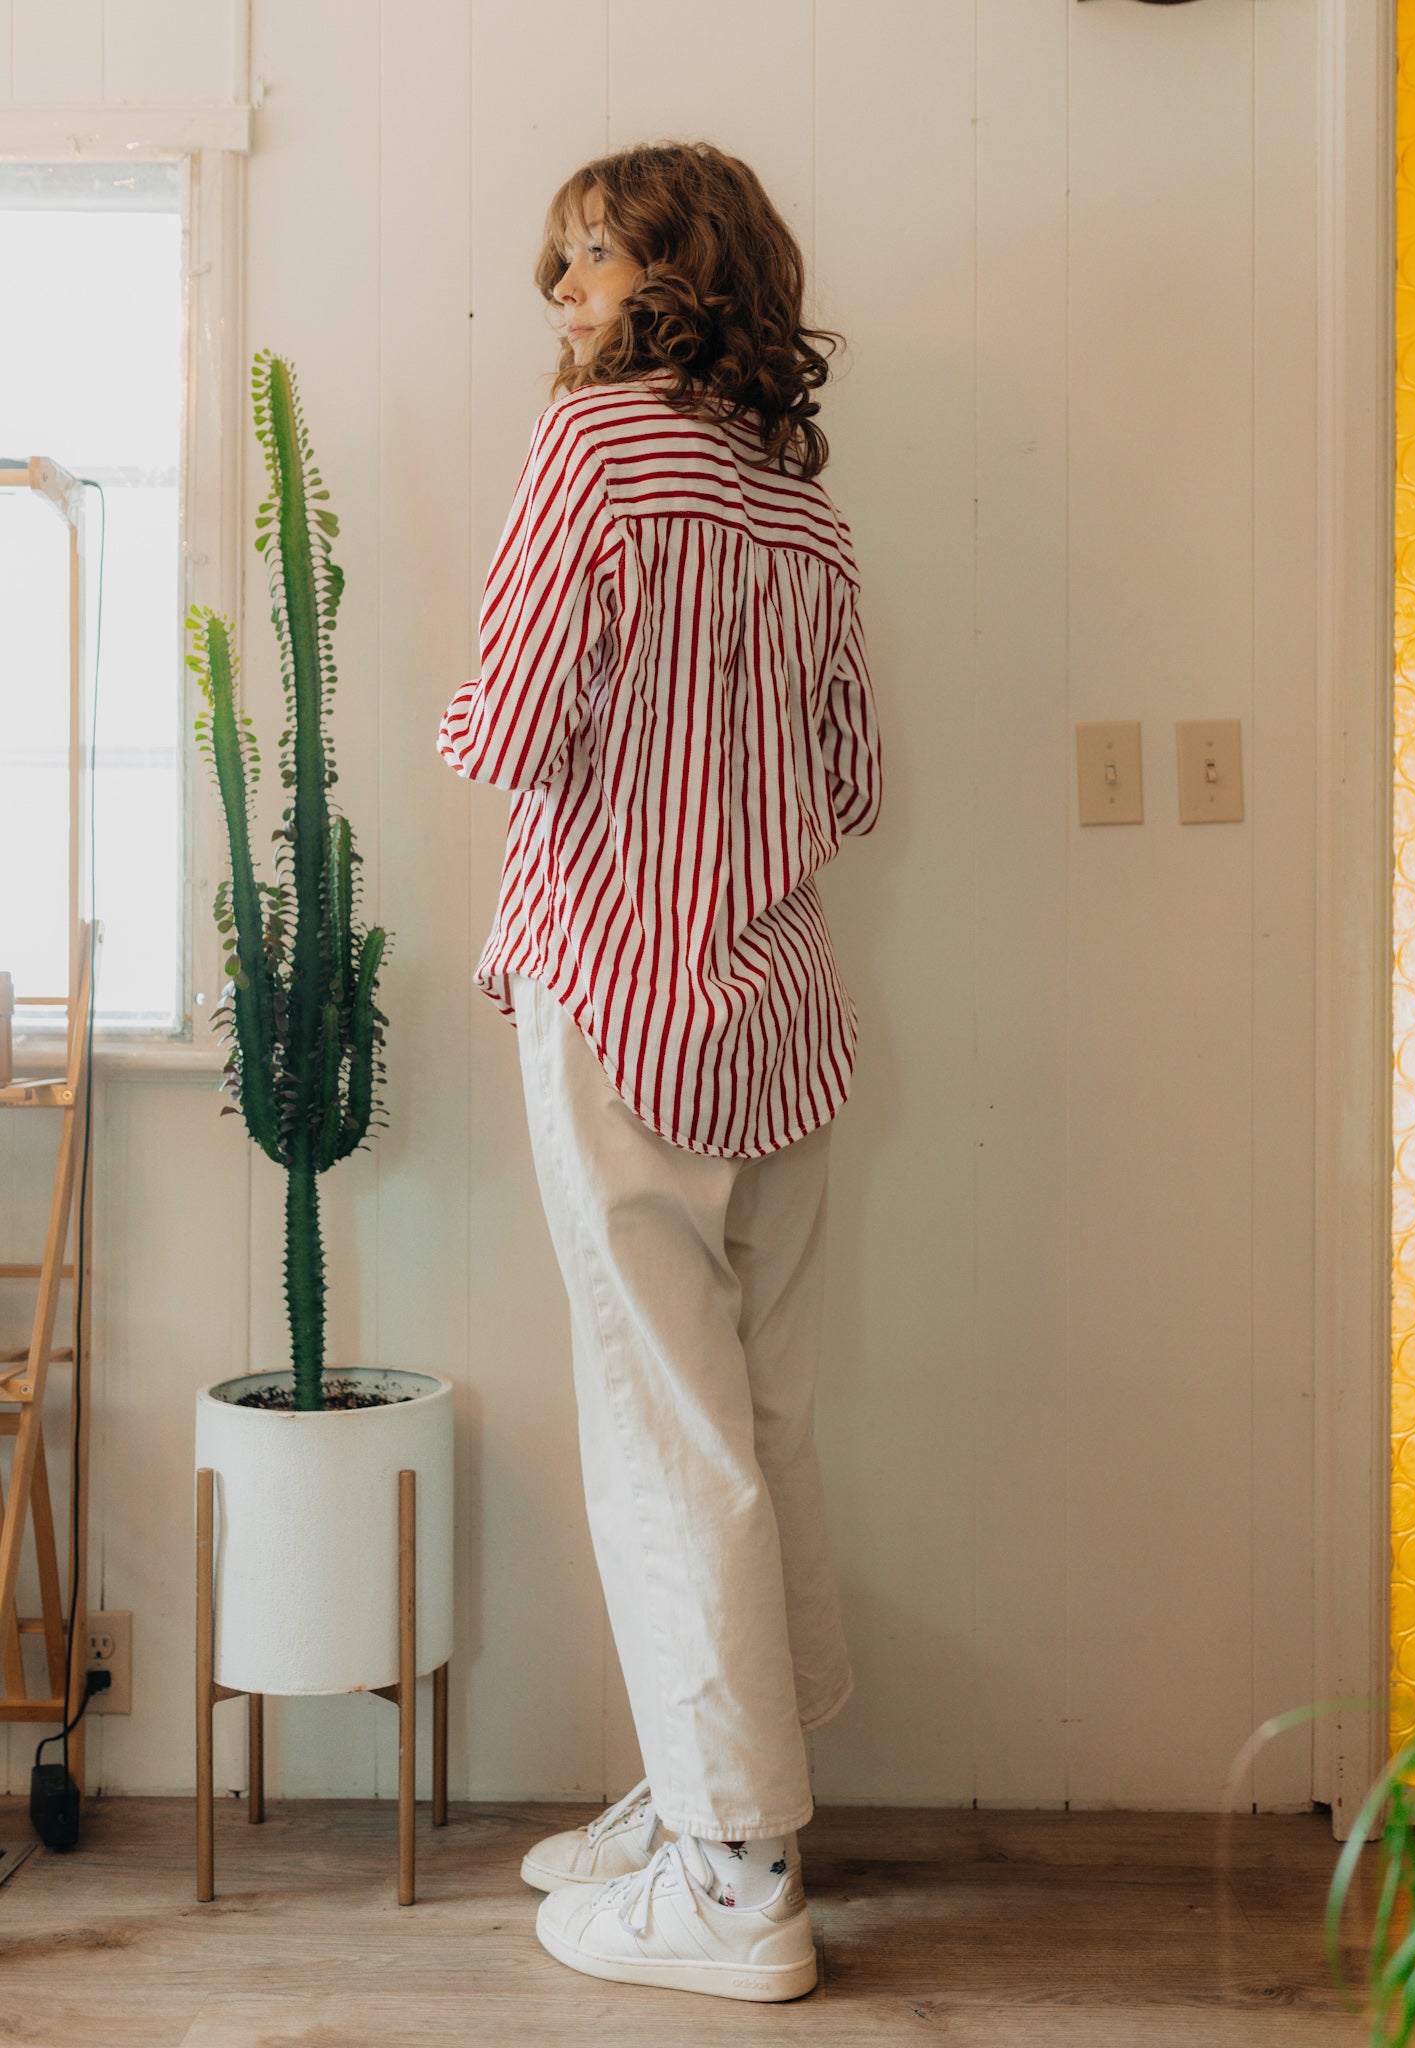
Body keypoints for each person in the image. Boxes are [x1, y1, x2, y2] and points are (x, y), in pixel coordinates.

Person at [437, 138, 883, 2004]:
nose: (560, 297)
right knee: (751, 1429)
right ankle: (727, 1790)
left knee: (655, 1435)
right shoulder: (802, 500)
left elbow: (504, 725)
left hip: (621, 993)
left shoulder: (597, 450)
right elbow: (853, 784)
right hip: (777, 1011)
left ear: (673, 271)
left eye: (588, 259)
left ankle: (732, 1875)